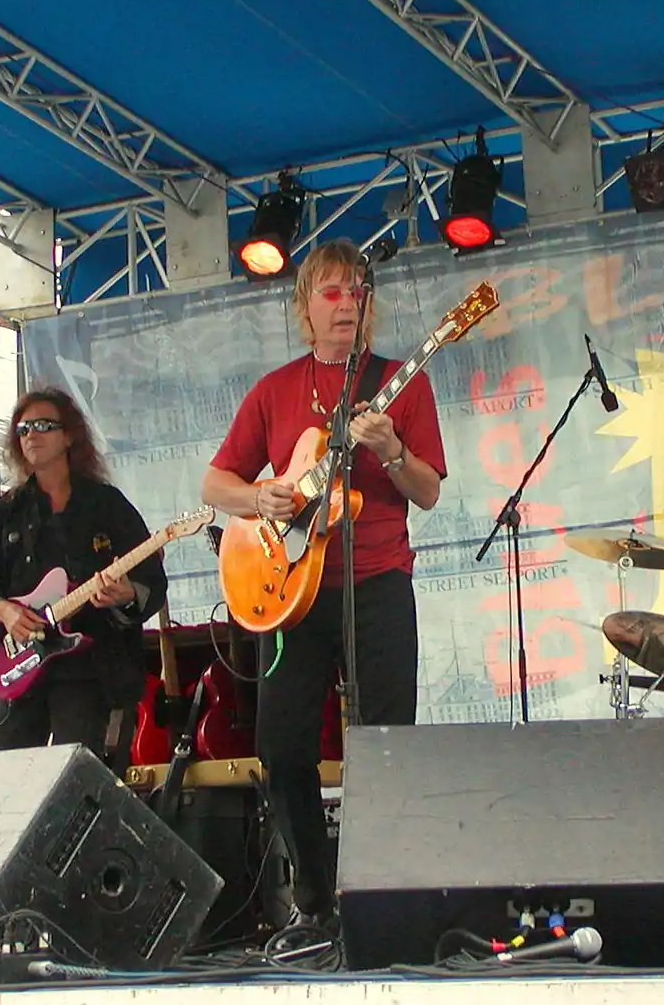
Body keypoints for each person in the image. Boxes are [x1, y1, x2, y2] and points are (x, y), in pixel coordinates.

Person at [202, 239, 447, 929]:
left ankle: (384, 895)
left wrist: (391, 450)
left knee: (386, 745)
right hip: (291, 589)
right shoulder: (275, 390)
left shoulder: (401, 381)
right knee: (282, 747)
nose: (345, 304)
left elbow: (427, 491)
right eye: (331, 292)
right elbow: (215, 483)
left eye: (356, 292)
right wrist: (261, 497)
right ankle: (315, 901)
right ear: (304, 307)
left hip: (378, 583)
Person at [0, 387, 168, 756]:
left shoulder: (107, 506)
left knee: (77, 772)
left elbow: (150, 579)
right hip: (20, 669)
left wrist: (126, 595)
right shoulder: (5, 513)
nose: (31, 435)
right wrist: (6, 612)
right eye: (23, 429)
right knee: (7, 776)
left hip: (91, 671)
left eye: (43, 425)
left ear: (69, 435)